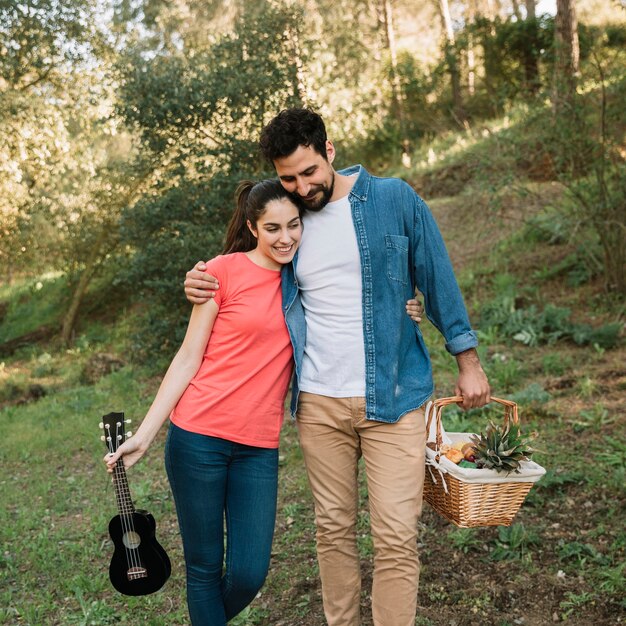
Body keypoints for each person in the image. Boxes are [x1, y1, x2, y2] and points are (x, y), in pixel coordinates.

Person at [184, 108, 491, 626]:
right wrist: (198, 279)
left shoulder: (394, 199)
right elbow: (242, 267)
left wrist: (468, 361)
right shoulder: (285, 215)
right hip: (320, 402)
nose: (302, 188)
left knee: (396, 534)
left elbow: (435, 275)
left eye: (309, 172)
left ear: (329, 152)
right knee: (333, 531)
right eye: (288, 178)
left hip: (393, 396)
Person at [103, 179, 304, 626]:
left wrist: (408, 305)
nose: (285, 237)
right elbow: (188, 356)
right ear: (253, 226)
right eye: (273, 227)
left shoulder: (304, 276)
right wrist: (145, 434)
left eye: (293, 225)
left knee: (250, 572)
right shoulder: (222, 272)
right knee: (205, 568)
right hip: (198, 439)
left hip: (258, 448)